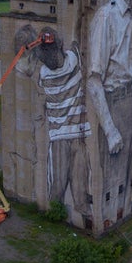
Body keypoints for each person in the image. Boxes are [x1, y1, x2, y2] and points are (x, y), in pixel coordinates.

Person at [87, 0, 132, 225]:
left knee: (126, 176)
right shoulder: (105, 18)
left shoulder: (131, 15)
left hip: (131, 101)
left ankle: (121, 221)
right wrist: (110, 130)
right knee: (112, 180)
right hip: (115, 105)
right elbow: (93, 82)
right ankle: (106, 223)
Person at [33, 27, 92, 224]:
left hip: (58, 135)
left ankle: (56, 212)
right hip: (78, 133)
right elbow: (76, 44)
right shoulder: (74, 60)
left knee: (57, 182)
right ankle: (83, 210)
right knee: (80, 180)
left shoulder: (43, 73)